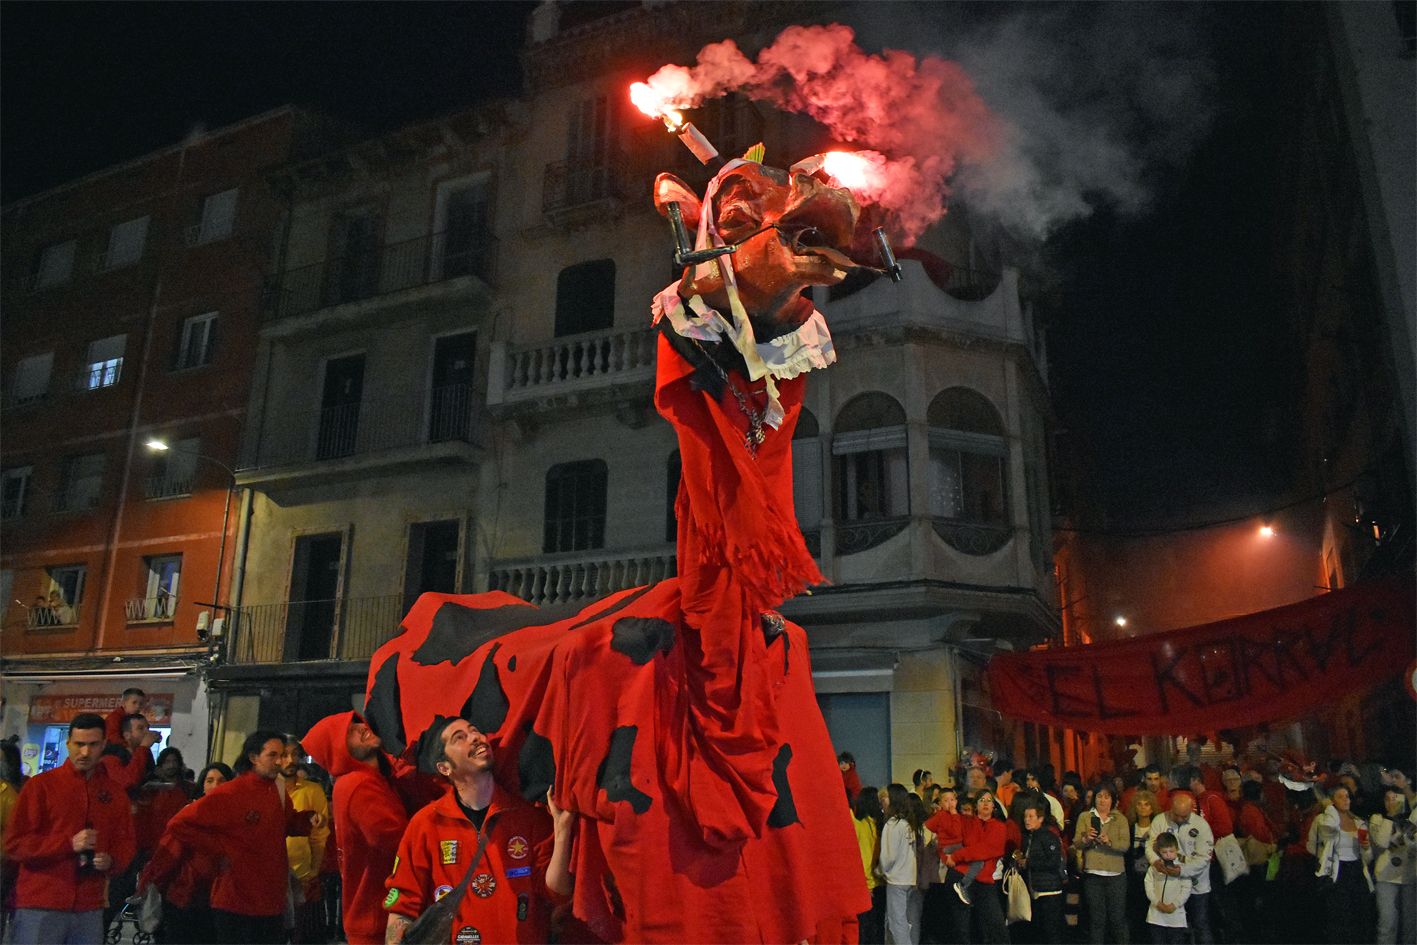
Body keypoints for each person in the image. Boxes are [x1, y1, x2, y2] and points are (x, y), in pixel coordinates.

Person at [384, 718, 573, 944]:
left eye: (475, 731)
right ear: (445, 768)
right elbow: (402, 906)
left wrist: (562, 831)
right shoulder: (426, 824)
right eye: (460, 738)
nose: (475, 737)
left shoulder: (528, 817)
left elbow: (557, 893)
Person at [141, 731, 319, 944]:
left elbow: (284, 823)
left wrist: (307, 820)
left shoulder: (277, 790)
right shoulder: (231, 792)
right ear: (253, 758)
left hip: (271, 898)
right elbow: (180, 824)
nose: (280, 761)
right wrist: (222, 849)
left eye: (282, 755)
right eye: (273, 755)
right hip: (236, 900)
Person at [3, 713, 136, 945]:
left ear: (104, 745)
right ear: (68, 744)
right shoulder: (40, 787)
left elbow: (126, 842)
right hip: (41, 903)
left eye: (93, 745)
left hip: (89, 907)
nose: (85, 752)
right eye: (79, 744)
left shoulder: (114, 794)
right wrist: (67, 844)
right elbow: (15, 844)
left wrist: (112, 861)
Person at [302, 712, 410, 945]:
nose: (361, 727)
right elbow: (398, 843)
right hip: (380, 920)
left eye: (357, 723)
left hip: (375, 917)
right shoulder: (359, 783)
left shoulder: (365, 780)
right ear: (337, 750)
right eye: (349, 732)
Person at [1147, 790, 1215, 944]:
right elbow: (1150, 846)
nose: (1179, 819)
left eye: (1184, 816)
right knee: (1171, 928)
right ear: (1171, 808)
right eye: (1176, 815)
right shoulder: (1160, 821)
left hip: (1197, 886)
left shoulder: (1201, 826)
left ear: (1191, 811)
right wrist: (1155, 862)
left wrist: (1182, 871)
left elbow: (1204, 857)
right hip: (1168, 885)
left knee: (1200, 924)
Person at [281, 737, 330, 944]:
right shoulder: (267, 789)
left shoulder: (312, 791)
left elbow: (319, 836)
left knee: (300, 933)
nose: (290, 760)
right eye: (284, 755)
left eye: (295, 754)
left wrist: (313, 872)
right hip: (271, 876)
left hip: (301, 875)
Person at [944, 790, 1009, 944]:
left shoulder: (999, 827)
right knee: (961, 929)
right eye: (981, 800)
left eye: (989, 800)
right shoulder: (966, 822)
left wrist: (959, 855)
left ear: (994, 806)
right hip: (959, 876)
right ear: (976, 805)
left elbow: (989, 849)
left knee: (996, 926)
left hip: (984, 881)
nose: (985, 803)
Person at [1314, 784, 1375, 944]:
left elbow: (1367, 857)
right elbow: (1328, 831)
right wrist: (1329, 808)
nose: (1345, 800)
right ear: (1333, 801)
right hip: (1338, 870)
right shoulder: (1326, 819)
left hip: (1356, 869)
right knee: (1341, 915)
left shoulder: (1359, 822)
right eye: (1340, 796)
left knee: (1360, 913)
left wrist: (1367, 848)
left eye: (1347, 796)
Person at [1075, 784, 1130, 944]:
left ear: (1113, 799)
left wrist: (1109, 842)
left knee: (1117, 919)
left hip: (1116, 876)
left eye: (1107, 797)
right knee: (1096, 919)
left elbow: (1125, 845)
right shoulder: (1085, 817)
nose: (1103, 800)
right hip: (1093, 876)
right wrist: (1086, 839)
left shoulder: (1120, 819)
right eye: (1099, 796)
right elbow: (1077, 842)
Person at [1370, 784, 1416, 944]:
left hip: (1408, 876)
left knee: (1410, 924)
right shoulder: (1378, 819)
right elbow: (1382, 842)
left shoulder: (1411, 823)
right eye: (1387, 799)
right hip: (1385, 877)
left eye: (1394, 799)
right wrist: (1390, 817)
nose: (1391, 803)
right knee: (1388, 922)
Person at [1017, 800, 1067, 944]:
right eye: (1025, 816)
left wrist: (1029, 862)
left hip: (1049, 890)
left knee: (1050, 930)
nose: (1027, 820)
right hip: (1037, 889)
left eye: (1031, 816)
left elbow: (1053, 861)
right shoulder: (1031, 838)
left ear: (1040, 818)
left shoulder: (1047, 836)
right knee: (1041, 929)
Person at [881, 783, 921, 945]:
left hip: (896, 880)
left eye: (886, 797)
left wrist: (880, 870)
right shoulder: (907, 824)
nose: (883, 800)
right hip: (909, 878)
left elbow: (888, 857)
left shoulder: (892, 824)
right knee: (906, 920)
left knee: (897, 922)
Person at [852, 787, 886, 945]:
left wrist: (866, 883)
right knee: (877, 927)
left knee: (865, 929)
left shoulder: (860, 825)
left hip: (867, 884)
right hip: (880, 881)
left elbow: (863, 856)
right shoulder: (880, 825)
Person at [1144, 832, 1192, 944]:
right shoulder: (1154, 868)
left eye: (1171, 851)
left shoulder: (1181, 867)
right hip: (1156, 916)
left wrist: (1174, 905)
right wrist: (1157, 902)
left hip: (1176, 917)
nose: (1168, 855)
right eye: (1164, 852)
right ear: (1159, 852)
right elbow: (1148, 884)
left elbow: (1186, 888)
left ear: (1177, 849)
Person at [1126, 789, 1160, 942]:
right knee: (1136, 916)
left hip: (1154, 878)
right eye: (1139, 804)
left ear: (1152, 807)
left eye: (1146, 804)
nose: (1143, 807)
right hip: (1134, 880)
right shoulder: (1129, 828)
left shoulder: (1158, 828)